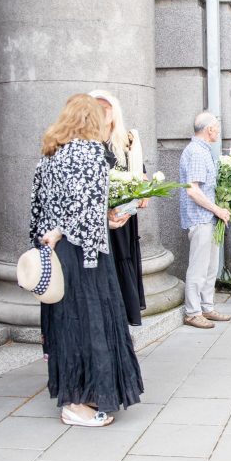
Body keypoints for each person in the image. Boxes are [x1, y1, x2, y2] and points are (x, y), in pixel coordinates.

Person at [30, 94, 144, 427]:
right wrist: (107, 222)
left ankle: (79, 394)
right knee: (93, 321)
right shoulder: (92, 152)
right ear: (92, 121)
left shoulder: (49, 156)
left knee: (68, 324)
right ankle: (78, 404)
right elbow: (85, 209)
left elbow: (38, 211)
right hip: (87, 254)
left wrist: (53, 236)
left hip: (60, 252)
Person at [88, 90, 147, 326]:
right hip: (98, 222)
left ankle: (121, 326)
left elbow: (140, 175)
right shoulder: (86, 145)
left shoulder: (125, 142)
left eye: (106, 107)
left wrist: (144, 195)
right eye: (96, 106)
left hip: (124, 220)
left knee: (123, 266)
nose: (102, 111)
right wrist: (104, 214)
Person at [178, 112, 231, 329]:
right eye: (217, 127)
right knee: (199, 268)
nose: (218, 131)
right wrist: (217, 209)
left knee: (210, 267)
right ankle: (192, 312)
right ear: (210, 129)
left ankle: (206, 307)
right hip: (201, 218)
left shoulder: (203, 150)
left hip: (208, 217)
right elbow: (193, 190)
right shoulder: (197, 152)